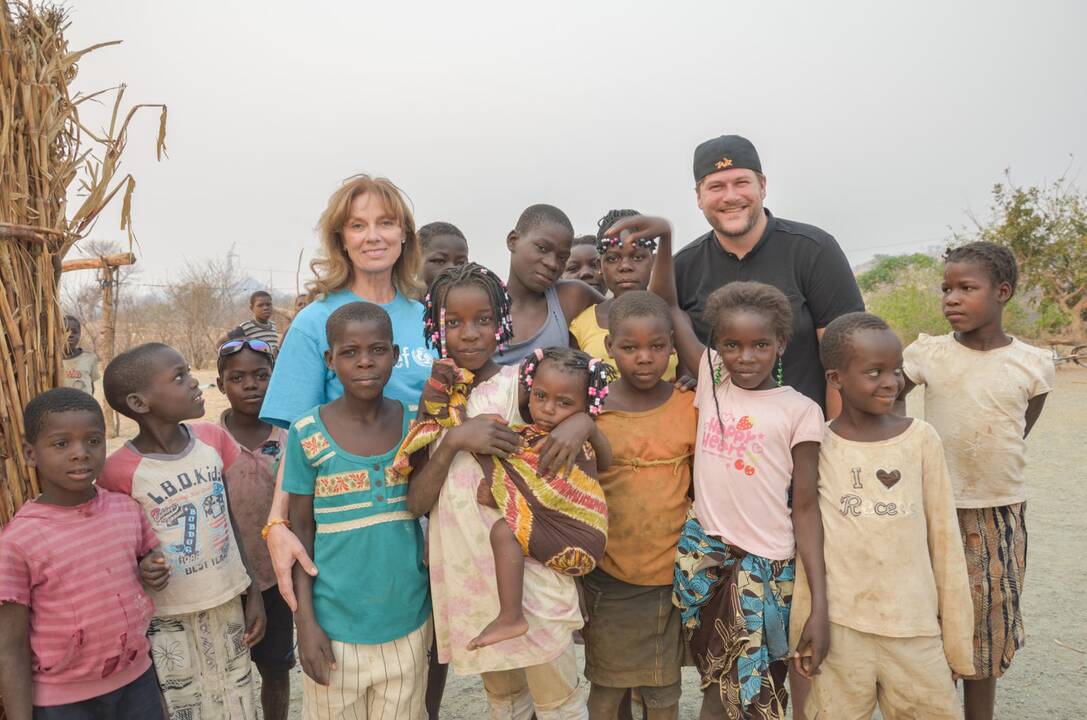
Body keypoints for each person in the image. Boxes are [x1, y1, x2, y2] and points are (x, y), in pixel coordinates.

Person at [403, 262, 609, 719]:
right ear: (434, 328)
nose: (469, 334)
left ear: (502, 323)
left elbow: (586, 393)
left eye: (483, 320)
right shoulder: (435, 401)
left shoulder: (523, 385)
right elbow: (416, 502)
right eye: (453, 322)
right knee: (504, 701)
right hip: (468, 575)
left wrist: (583, 421)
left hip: (532, 576)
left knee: (559, 701)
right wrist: (454, 440)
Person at [788, 312, 974, 718]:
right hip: (841, 631)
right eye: (874, 372)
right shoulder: (820, 443)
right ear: (836, 379)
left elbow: (945, 542)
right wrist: (810, 617)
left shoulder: (921, 440)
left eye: (895, 370)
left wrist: (956, 642)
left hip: (915, 629)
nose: (890, 381)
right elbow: (811, 538)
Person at [899, 241, 1053, 720]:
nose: (951, 298)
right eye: (946, 288)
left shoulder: (1032, 363)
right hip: (933, 511)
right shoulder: (928, 354)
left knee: (989, 621)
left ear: (1002, 292)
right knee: (934, 617)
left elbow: (1018, 429)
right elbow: (882, 396)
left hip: (998, 510)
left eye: (967, 288)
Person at [99, 342, 266, 719]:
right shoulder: (118, 471)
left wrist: (251, 588)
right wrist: (141, 565)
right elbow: (121, 547)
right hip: (165, 615)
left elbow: (226, 517)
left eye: (189, 373)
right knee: (182, 706)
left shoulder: (212, 440)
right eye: (179, 377)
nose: (194, 383)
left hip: (226, 602)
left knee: (239, 697)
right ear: (140, 403)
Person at [282, 302, 431, 719]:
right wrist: (305, 625)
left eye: (377, 349)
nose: (365, 361)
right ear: (330, 360)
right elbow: (301, 537)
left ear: (396, 355)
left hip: (409, 622)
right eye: (349, 352)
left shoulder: (416, 425)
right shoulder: (307, 434)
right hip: (334, 631)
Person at [0, 389, 167, 720]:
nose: (80, 453)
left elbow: (144, 558)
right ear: (31, 453)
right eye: (61, 444)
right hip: (64, 702)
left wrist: (150, 567)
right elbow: (11, 646)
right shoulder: (19, 541)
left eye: (93, 441)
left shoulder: (125, 509)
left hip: (136, 681)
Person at [673, 135, 864, 416]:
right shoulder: (683, 267)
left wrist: (834, 443)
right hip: (720, 445)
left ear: (762, 186)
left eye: (741, 182)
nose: (731, 196)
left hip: (804, 442)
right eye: (716, 186)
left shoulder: (814, 250)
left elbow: (843, 358)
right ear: (699, 197)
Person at [581, 291, 697, 720]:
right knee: (607, 686)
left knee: (663, 690)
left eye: (657, 347)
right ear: (610, 348)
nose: (644, 358)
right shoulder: (592, 411)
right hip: (610, 575)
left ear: (672, 346)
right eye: (629, 348)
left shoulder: (691, 405)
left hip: (671, 575)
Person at [216, 339, 293, 720]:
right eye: (238, 378)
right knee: (230, 674)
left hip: (277, 579)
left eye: (262, 375)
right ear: (220, 385)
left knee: (276, 670)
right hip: (225, 582)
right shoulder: (207, 444)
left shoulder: (289, 437)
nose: (251, 385)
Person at [569, 210, 680, 381]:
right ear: (600, 264)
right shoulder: (581, 325)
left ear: (653, 261)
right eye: (613, 259)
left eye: (637, 257)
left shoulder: (671, 316)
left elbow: (692, 377)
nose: (625, 266)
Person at [494, 204, 604, 366]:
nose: (552, 264)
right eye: (542, 248)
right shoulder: (481, 303)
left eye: (562, 258)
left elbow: (631, 308)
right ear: (513, 241)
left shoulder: (571, 297)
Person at [220, 291, 280, 355]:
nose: (265, 308)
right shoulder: (246, 327)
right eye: (260, 305)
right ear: (252, 308)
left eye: (268, 304)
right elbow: (221, 342)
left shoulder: (273, 325)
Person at [419, 221, 470, 289]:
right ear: (412, 263)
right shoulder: (401, 298)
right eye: (440, 261)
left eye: (460, 263)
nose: (452, 269)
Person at [61, 315, 100, 395]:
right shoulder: (50, 361)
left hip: (83, 405)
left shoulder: (89, 358)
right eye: (65, 331)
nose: (70, 335)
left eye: (74, 332)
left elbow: (91, 386)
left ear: (80, 334)